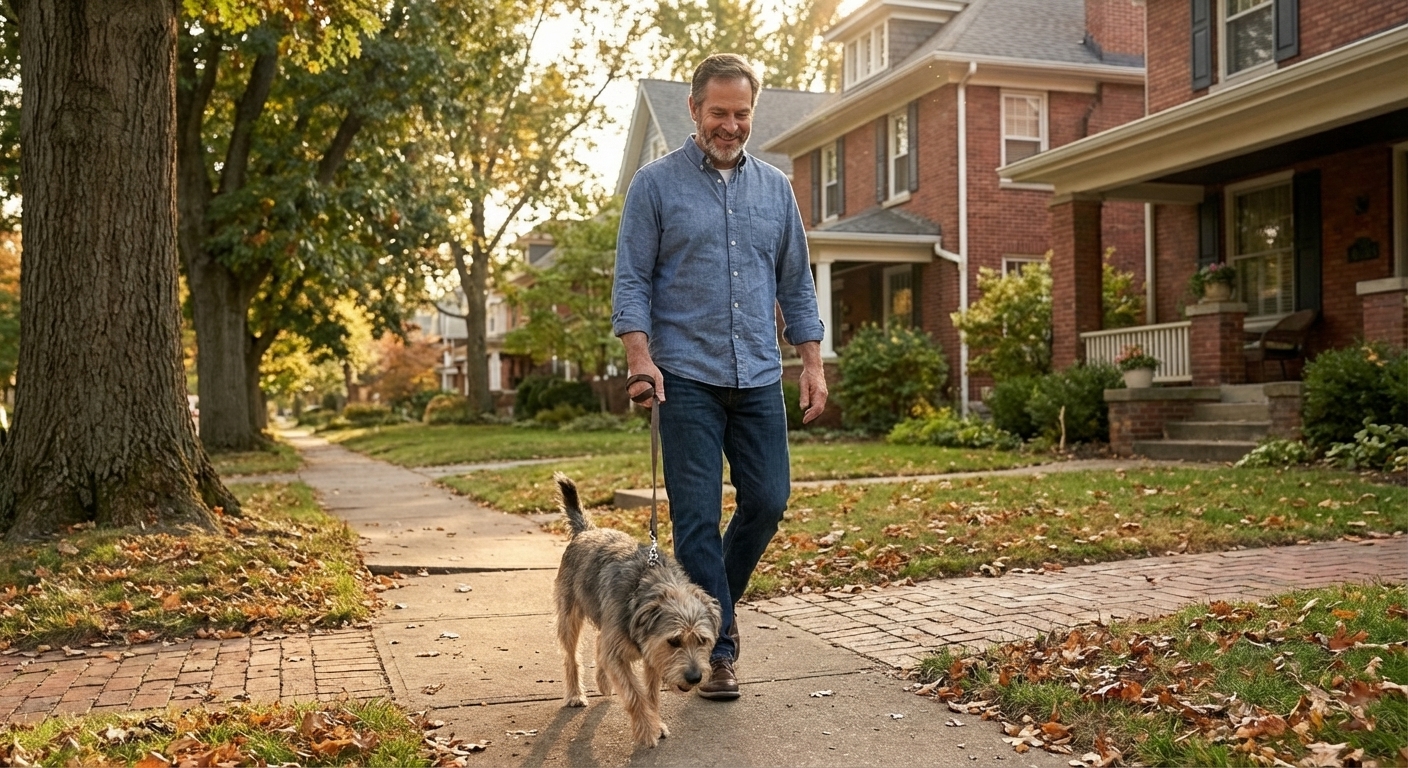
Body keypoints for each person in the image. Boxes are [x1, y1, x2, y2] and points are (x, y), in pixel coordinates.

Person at [611, 53, 828, 701]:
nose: (730, 126)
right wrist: (638, 357)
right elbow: (632, 279)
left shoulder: (775, 188)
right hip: (684, 377)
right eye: (719, 113)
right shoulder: (654, 185)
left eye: (741, 115)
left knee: (767, 500)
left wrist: (811, 360)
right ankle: (720, 648)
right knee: (698, 518)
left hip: (759, 372)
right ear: (694, 110)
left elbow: (795, 280)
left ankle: (707, 609)